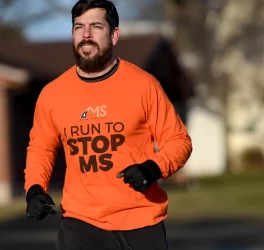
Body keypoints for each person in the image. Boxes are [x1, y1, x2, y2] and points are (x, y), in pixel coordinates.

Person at [24, 0, 193, 249]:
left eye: (96, 26)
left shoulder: (143, 85)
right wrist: (34, 189)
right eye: (79, 26)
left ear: (114, 35)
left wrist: (151, 169)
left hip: (140, 221)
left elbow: (179, 141)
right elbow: (41, 149)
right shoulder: (53, 94)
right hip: (80, 223)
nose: (86, 35)